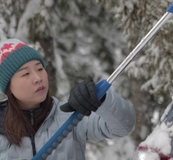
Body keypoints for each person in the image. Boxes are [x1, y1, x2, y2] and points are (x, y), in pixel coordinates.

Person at [0, 39, 136, 159]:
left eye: (40, 69)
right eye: (26, 73)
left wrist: (101, 100)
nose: (38, 78)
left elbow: (123, 126)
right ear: (8, 87)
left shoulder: (69, 116)